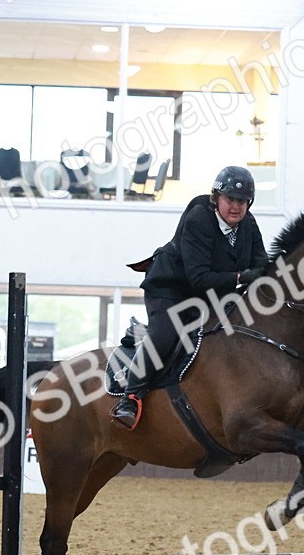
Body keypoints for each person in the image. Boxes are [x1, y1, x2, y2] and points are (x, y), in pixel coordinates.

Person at [111, 165, 270, 430]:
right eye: (230, 199)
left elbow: (261, 262)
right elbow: (198, 278)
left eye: (243, 201)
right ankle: (131, 396)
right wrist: (242, 278)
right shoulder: (198, 219)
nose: (236, 207)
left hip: (211, 293)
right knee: (165, 338)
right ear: (216, 197)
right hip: (172, 289)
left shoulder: (248, 224)